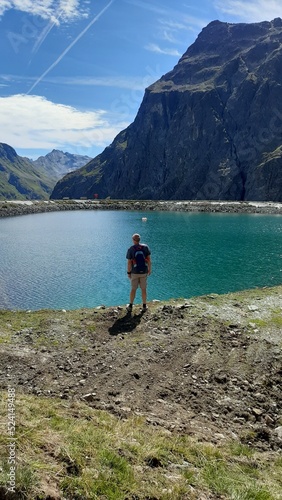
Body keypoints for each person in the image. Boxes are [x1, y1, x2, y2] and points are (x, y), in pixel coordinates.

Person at [126, 233, 151, 312]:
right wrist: (149, 269)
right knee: (143, 289)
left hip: (134, 272)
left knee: (133, 289)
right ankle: (144, 306)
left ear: (133, 240)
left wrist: (128, 272)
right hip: (144, 272)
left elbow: (129, 263)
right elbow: (149, 260)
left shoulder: (131, 249)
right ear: (139, 240)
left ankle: (130, 305)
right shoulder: (145, 247)